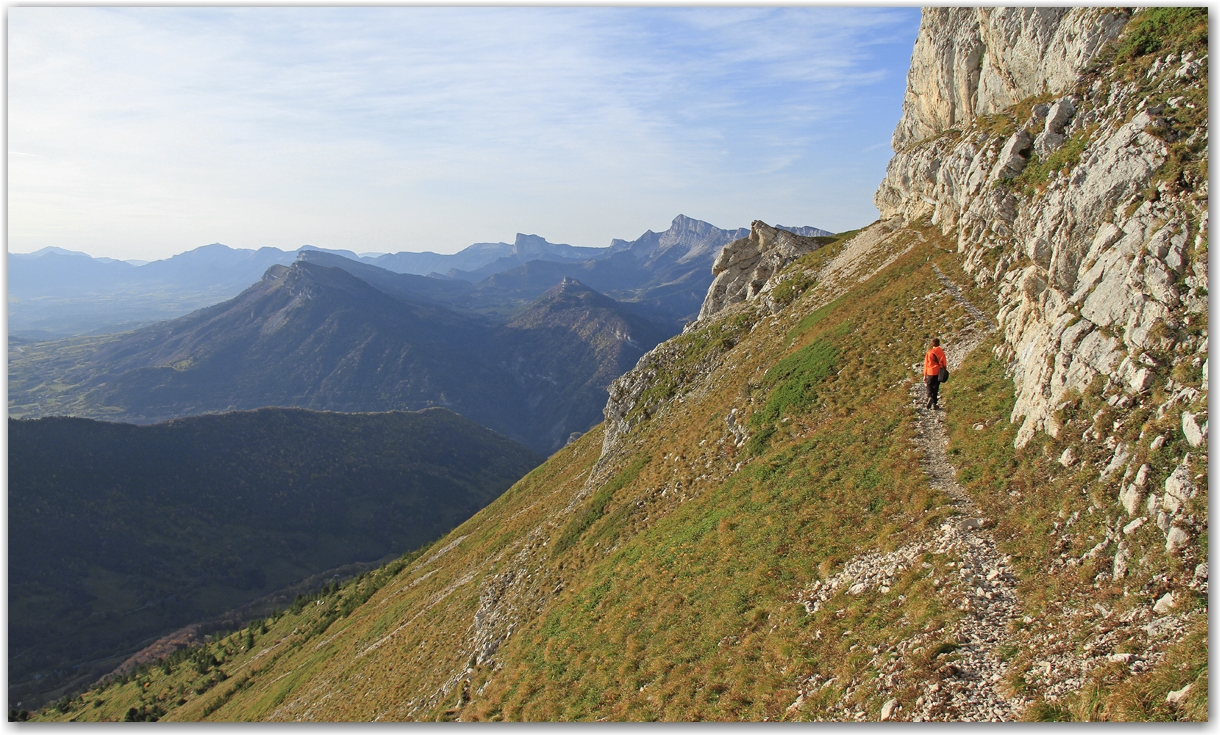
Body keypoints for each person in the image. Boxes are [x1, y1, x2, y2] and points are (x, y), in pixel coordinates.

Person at [924, 338, 947, 409]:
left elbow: (926, 364)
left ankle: (930, 396)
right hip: (938, 372)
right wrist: (944, 370)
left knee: (929, 385)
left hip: (930, 371)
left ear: (932, 344)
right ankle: (934, 404)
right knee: (935, 387)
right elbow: (944, 362)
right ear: (939, 343)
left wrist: (925, 375)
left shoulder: (929, 352)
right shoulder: (941, 352)